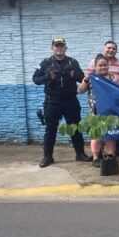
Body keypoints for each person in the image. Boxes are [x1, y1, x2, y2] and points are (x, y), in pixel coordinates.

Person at [32, 37, 91, 168]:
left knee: (75, 127)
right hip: (52, 100)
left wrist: (75, 75)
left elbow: (83, 79)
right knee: (50, 129)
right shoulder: (45, 63)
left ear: (66, 48)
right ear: (52, 48)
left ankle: (80, 154)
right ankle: (48, 157)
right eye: (56, 46)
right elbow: (35, 79)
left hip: (70, 100)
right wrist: (46, 77)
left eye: (61, 46)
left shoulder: (72, 62)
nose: (59, 48)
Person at [78, 54, 119, 167]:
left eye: (105, 65)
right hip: (95, 112)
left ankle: (110, 156)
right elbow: (80, 90)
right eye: (100, 65)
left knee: (111, 135)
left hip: (111, 112)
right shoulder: (91, 78)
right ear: (95, 66)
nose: (103, 67)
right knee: (96, 135)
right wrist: (85, 80)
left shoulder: (114, 78)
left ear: (108, 65)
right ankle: (96, 157)